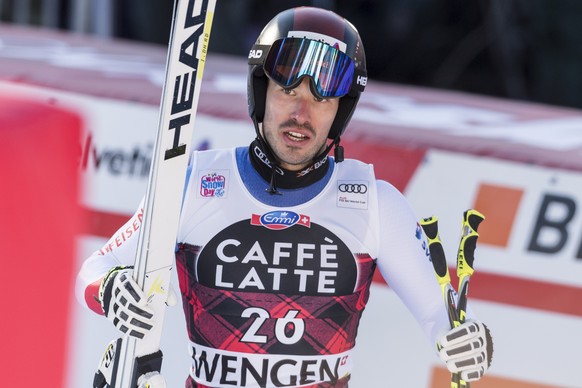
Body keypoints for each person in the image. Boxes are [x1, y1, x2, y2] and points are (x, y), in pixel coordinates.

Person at [76, 6, 493, 388]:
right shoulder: (192, 183)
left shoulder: (373, 203)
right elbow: (95, 269)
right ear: (261, 93)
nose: (302, 114)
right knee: (123, 373)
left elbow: (446, 318)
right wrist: (113, 289)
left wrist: (469, 341)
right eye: (288, 92)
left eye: (321, 99)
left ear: (339, 112)